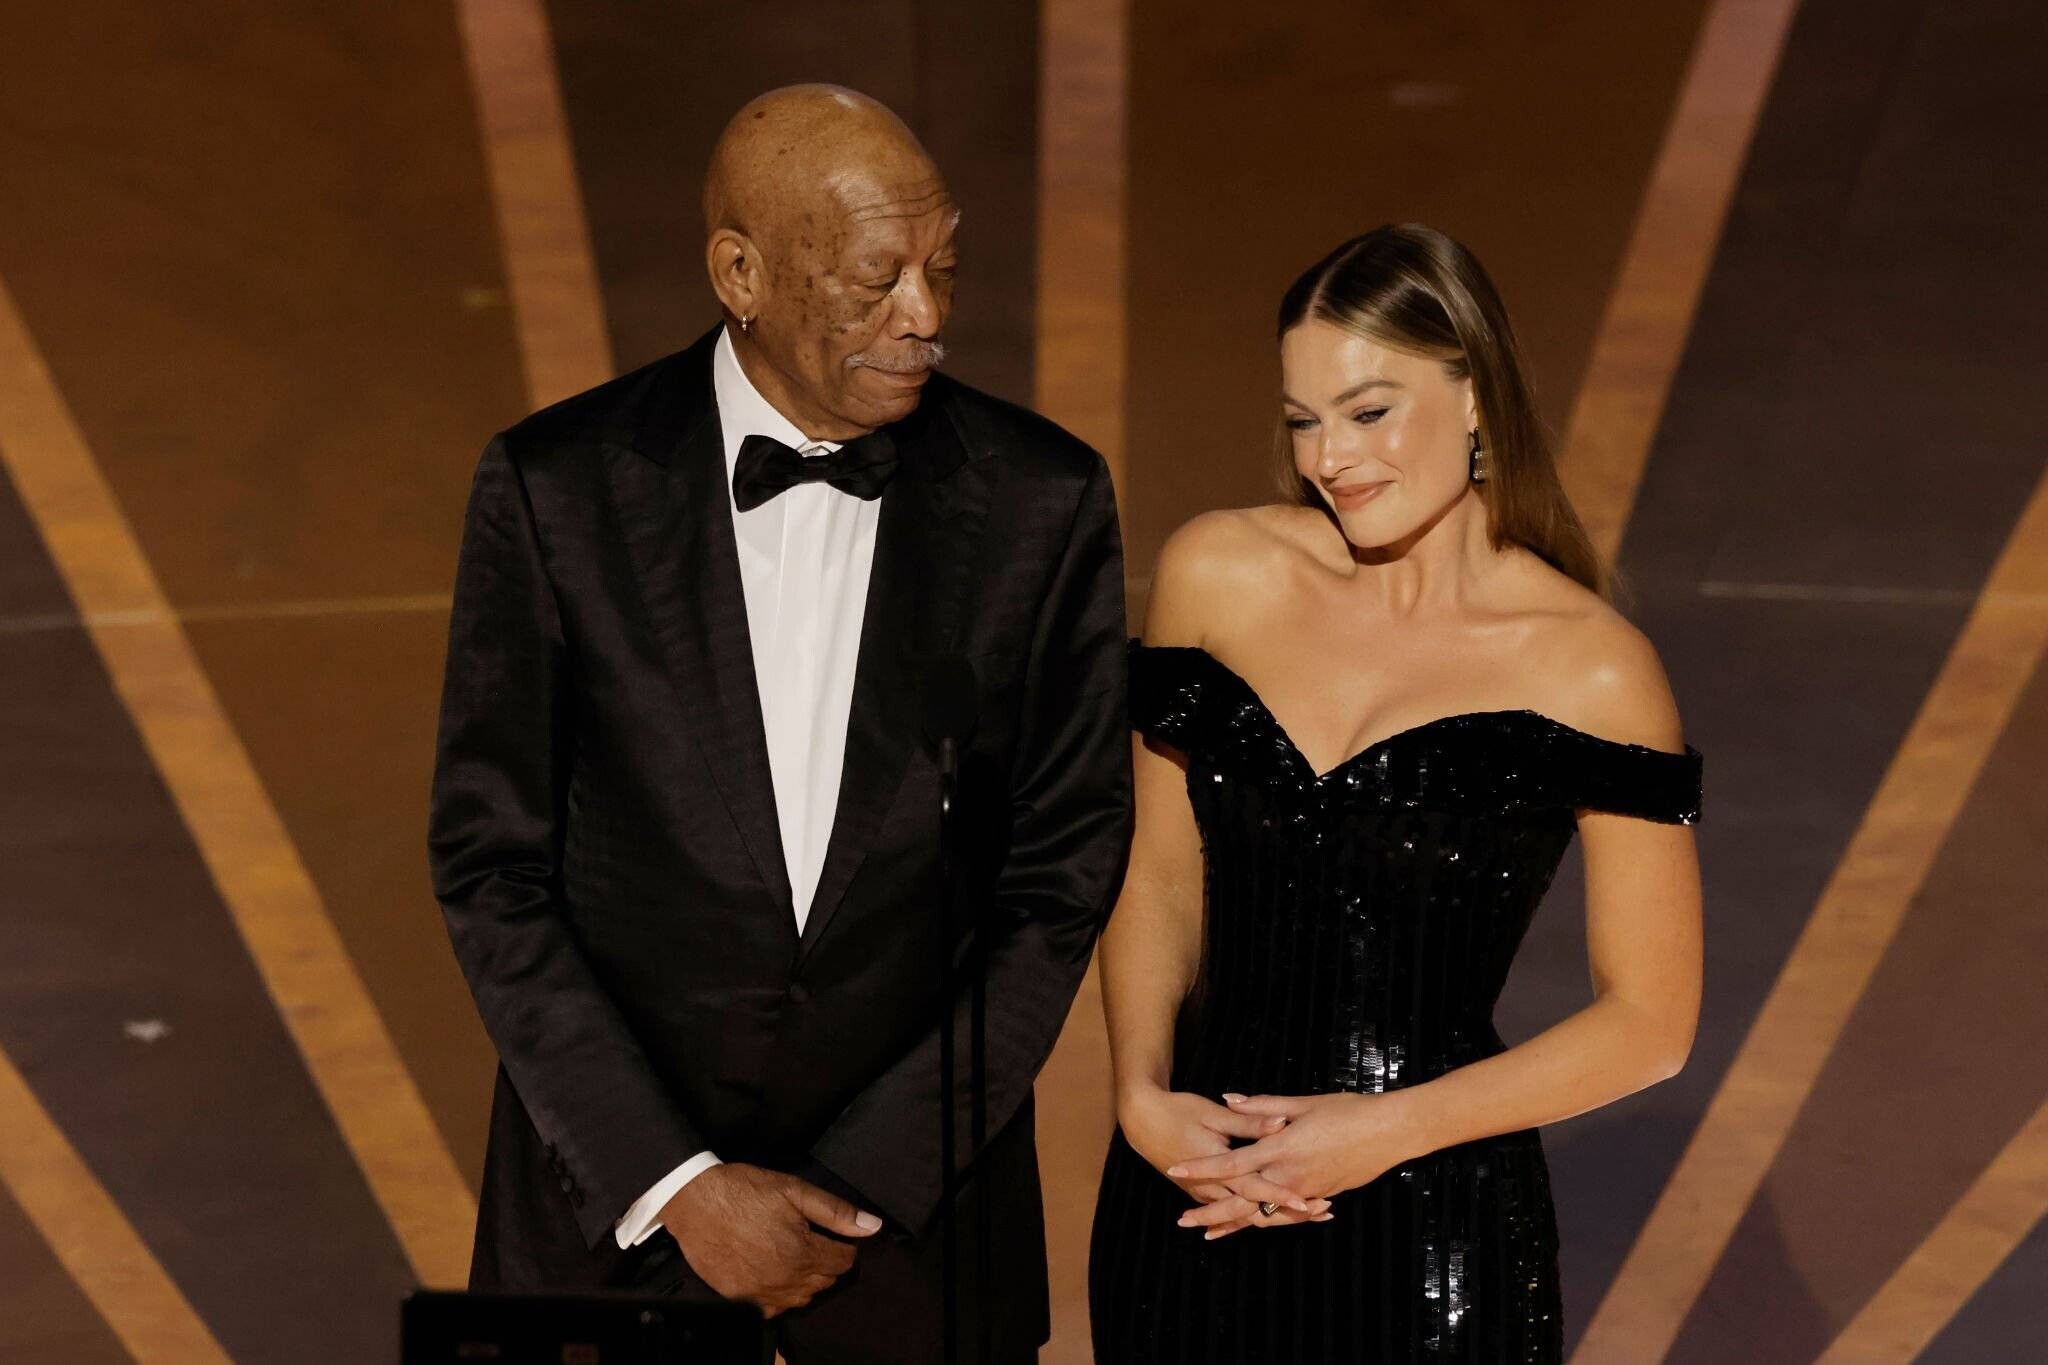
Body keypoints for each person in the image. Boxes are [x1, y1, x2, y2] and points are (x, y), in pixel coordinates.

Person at [428, 84, 1130, 1363]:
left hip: (916, 1246)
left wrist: (864, 1185)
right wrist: (678, 1185)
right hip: (616, 1236)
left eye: (942, 268)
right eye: (875, 279)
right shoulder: (556, 488)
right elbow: (492, 868)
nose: (924, 316)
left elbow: (1060, 872)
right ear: (739, 274)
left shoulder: (1042, 499)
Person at [1087, 224, 1703, 1360]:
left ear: (1474, 397)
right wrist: (1139, 1091)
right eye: (1303, 420)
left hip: (1432, 1226)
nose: (1331, 457)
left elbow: (1650, 1023)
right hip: (1193, 1187)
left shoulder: (1593, 670)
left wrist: (1385, 1130)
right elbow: (1159, 874)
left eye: (1368, 412)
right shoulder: (1216, 573)